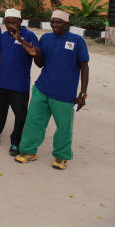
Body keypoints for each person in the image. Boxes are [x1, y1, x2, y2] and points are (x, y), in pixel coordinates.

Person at [16, 10, 89, 170]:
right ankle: (28, 151)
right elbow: (40, 63)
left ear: (67, 24)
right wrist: (35, 53)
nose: (55, 25)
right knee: (33, 122)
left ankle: (61, 156)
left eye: (59, 22)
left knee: (64, 127)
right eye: (53, 21)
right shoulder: (46, 38)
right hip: (42, 88)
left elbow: (84, 67)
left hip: (64, 94)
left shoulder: (77, 41)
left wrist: (82, 93)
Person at [0, 9, 38, 156]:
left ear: (20, 21)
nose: (10, 25)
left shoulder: (30, 35)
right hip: (0, 82)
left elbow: (36, 55)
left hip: (19, 84)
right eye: (7, 22)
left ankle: (16, 142)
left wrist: (20, 40)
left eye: (13, 21)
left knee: (20, 115)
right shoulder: (3, 36)